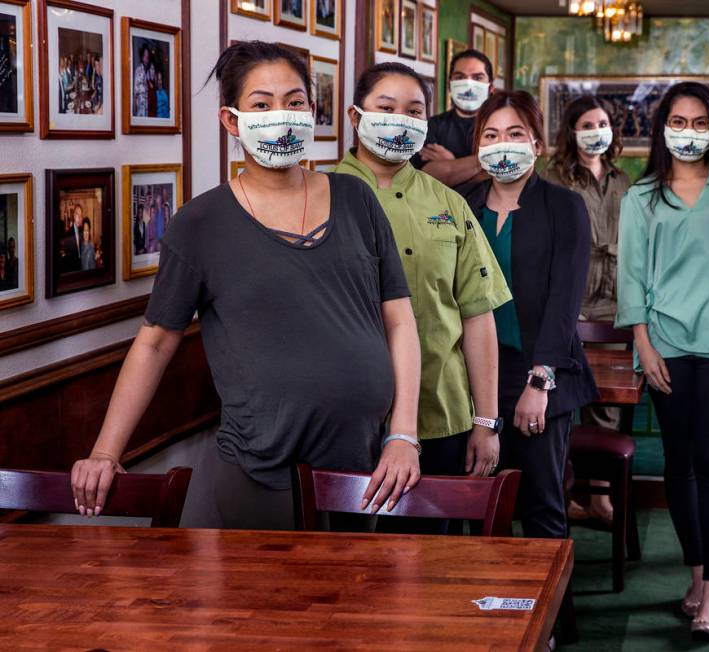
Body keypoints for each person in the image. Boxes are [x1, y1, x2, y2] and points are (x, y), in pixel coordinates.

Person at [71, 41, 422, 531]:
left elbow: (400, 319)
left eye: (295, 101)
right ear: (232, 121)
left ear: (313, 110)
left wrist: (403, 434)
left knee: (355, 599)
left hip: (363, 463)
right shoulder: (200, 224)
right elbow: (154, 342)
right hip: (261, 469)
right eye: (262, 104)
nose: (283, 115)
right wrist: (105, 452)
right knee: (270, 605)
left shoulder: (355, 198)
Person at [616, 82, 709, 639]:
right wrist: (643, 343)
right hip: (666, 345)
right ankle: (699, 575)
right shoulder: (642, 196)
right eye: (677, 121)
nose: (688, 132)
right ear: (661, 129)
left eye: (700, 121)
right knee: (677, 464)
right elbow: (631, 277)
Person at [336, 62, 511, 533]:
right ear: (356, 116)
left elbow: (477, 315)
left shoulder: (448, 202)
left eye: (413, 111)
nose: (399, 120)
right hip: (346, 419)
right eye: (385, 108)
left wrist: (487, 421)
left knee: (429, 567)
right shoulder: (323, 195)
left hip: (442, 415)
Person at [457, 90, 598, 542]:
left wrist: (540, 382)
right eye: (491, 134)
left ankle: (552, 613)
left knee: (541, 505)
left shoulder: (564, 206)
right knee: (476, 504)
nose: (503, 143)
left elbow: (565, 301)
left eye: (515, 133)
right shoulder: (461, 204)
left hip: (539, 373)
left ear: (537, 144)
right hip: (471, 375)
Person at [543, 94, 631, 525]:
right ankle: (563, 491)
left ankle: (600, 499)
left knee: (607, 404)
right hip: (569, 301)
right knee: (561, 403)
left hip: (615, 302)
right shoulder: (555, 178)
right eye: (587, 124)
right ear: (572, 131)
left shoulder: (623, 180)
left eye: (603, 123)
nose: (596, 131)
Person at [411, 49, 494, 188]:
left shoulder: (502, 126)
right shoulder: (432, 126)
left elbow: (504, 176)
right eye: (460, 77)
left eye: (478, 78)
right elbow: (428, 176)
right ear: (450, 85)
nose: (468, 84)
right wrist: (487, 162)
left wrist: (451, 163)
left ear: (491, 87)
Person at [60, 204, 84, 273]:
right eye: (77, 215)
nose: (79, 218)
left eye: (81, 215)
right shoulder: (68, 234)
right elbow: (67, 257)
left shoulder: (82, 231)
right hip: (72, 269)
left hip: (81, 266)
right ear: (74, 215)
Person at [134, 45, 154, 118]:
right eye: (145, 55)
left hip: (149, 103)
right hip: (141, 102)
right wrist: (136, 104)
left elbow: (152, 83)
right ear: (142, 56)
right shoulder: (138, 70)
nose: (146, 57)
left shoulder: (150, 69)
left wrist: (150, 67)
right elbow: (136, 90)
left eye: (147, 55)